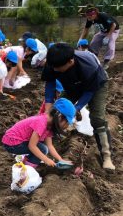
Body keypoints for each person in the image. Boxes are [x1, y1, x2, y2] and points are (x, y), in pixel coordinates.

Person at [42, 42, 115, 170]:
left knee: (97, 119)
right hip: (71, 86)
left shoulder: (89, 66)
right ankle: (47, 146)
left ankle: (107, 156)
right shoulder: (54, 62)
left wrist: (76, 108)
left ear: (70, 62)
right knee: (54, 112)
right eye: (53, 66)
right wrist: (48, 110)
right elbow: (50, 86)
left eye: (58, 68)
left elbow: (89, 92)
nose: (54, 70)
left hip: (96, 86)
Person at [2, 98, 75, 168]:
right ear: (59, 116)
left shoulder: (49, 125)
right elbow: (32, 146)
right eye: (67, 122)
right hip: (12, 143)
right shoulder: (41, 122)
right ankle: (27, 170)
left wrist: (60, 160)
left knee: (43, 148)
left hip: (19, 141)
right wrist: (46, 160)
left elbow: (50, 145)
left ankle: (26, 162)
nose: (66, 126)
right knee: (42, 149)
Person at [79, 5, 120, 70]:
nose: (88, 17)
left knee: (110, 43)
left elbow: (113, 25)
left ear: (94, 15)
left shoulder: (103, 16)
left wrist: (108, 37)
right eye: (87, 16)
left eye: (89, 16)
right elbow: (86, 29)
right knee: (94, 41)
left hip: (113, 31)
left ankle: (106, 61)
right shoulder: (90, 19)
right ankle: (93, 58)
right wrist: (80, 39)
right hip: (103, 31)